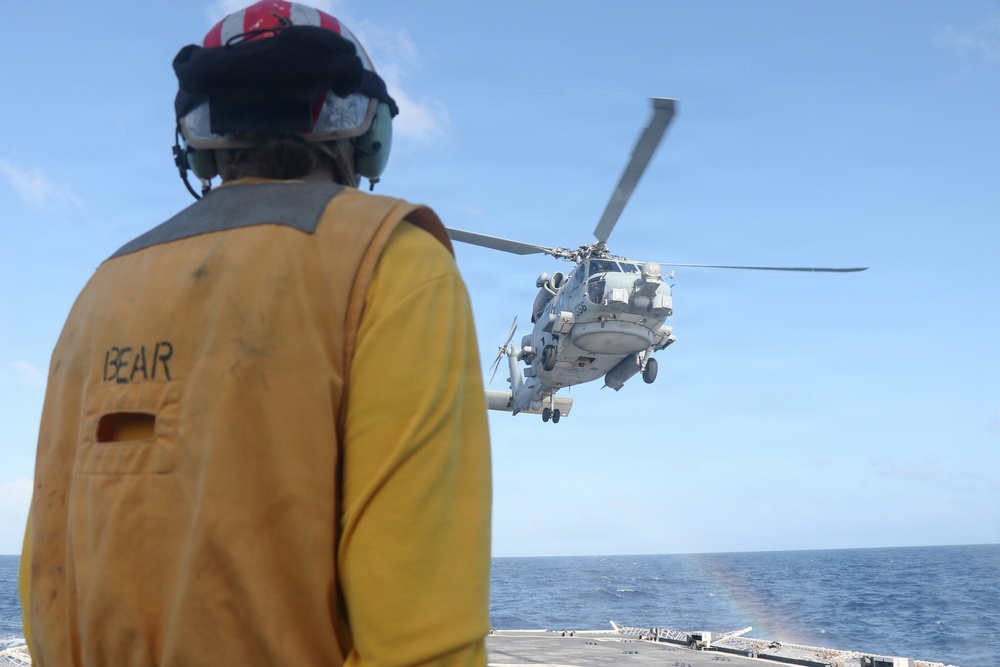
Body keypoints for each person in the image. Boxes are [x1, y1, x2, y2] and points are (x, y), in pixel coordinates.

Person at [18, 2, 492, 666]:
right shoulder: (395, 265)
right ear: (367, 131)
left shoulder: (100, 294)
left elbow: (46, 583)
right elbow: (423, 642)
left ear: (198, 141)